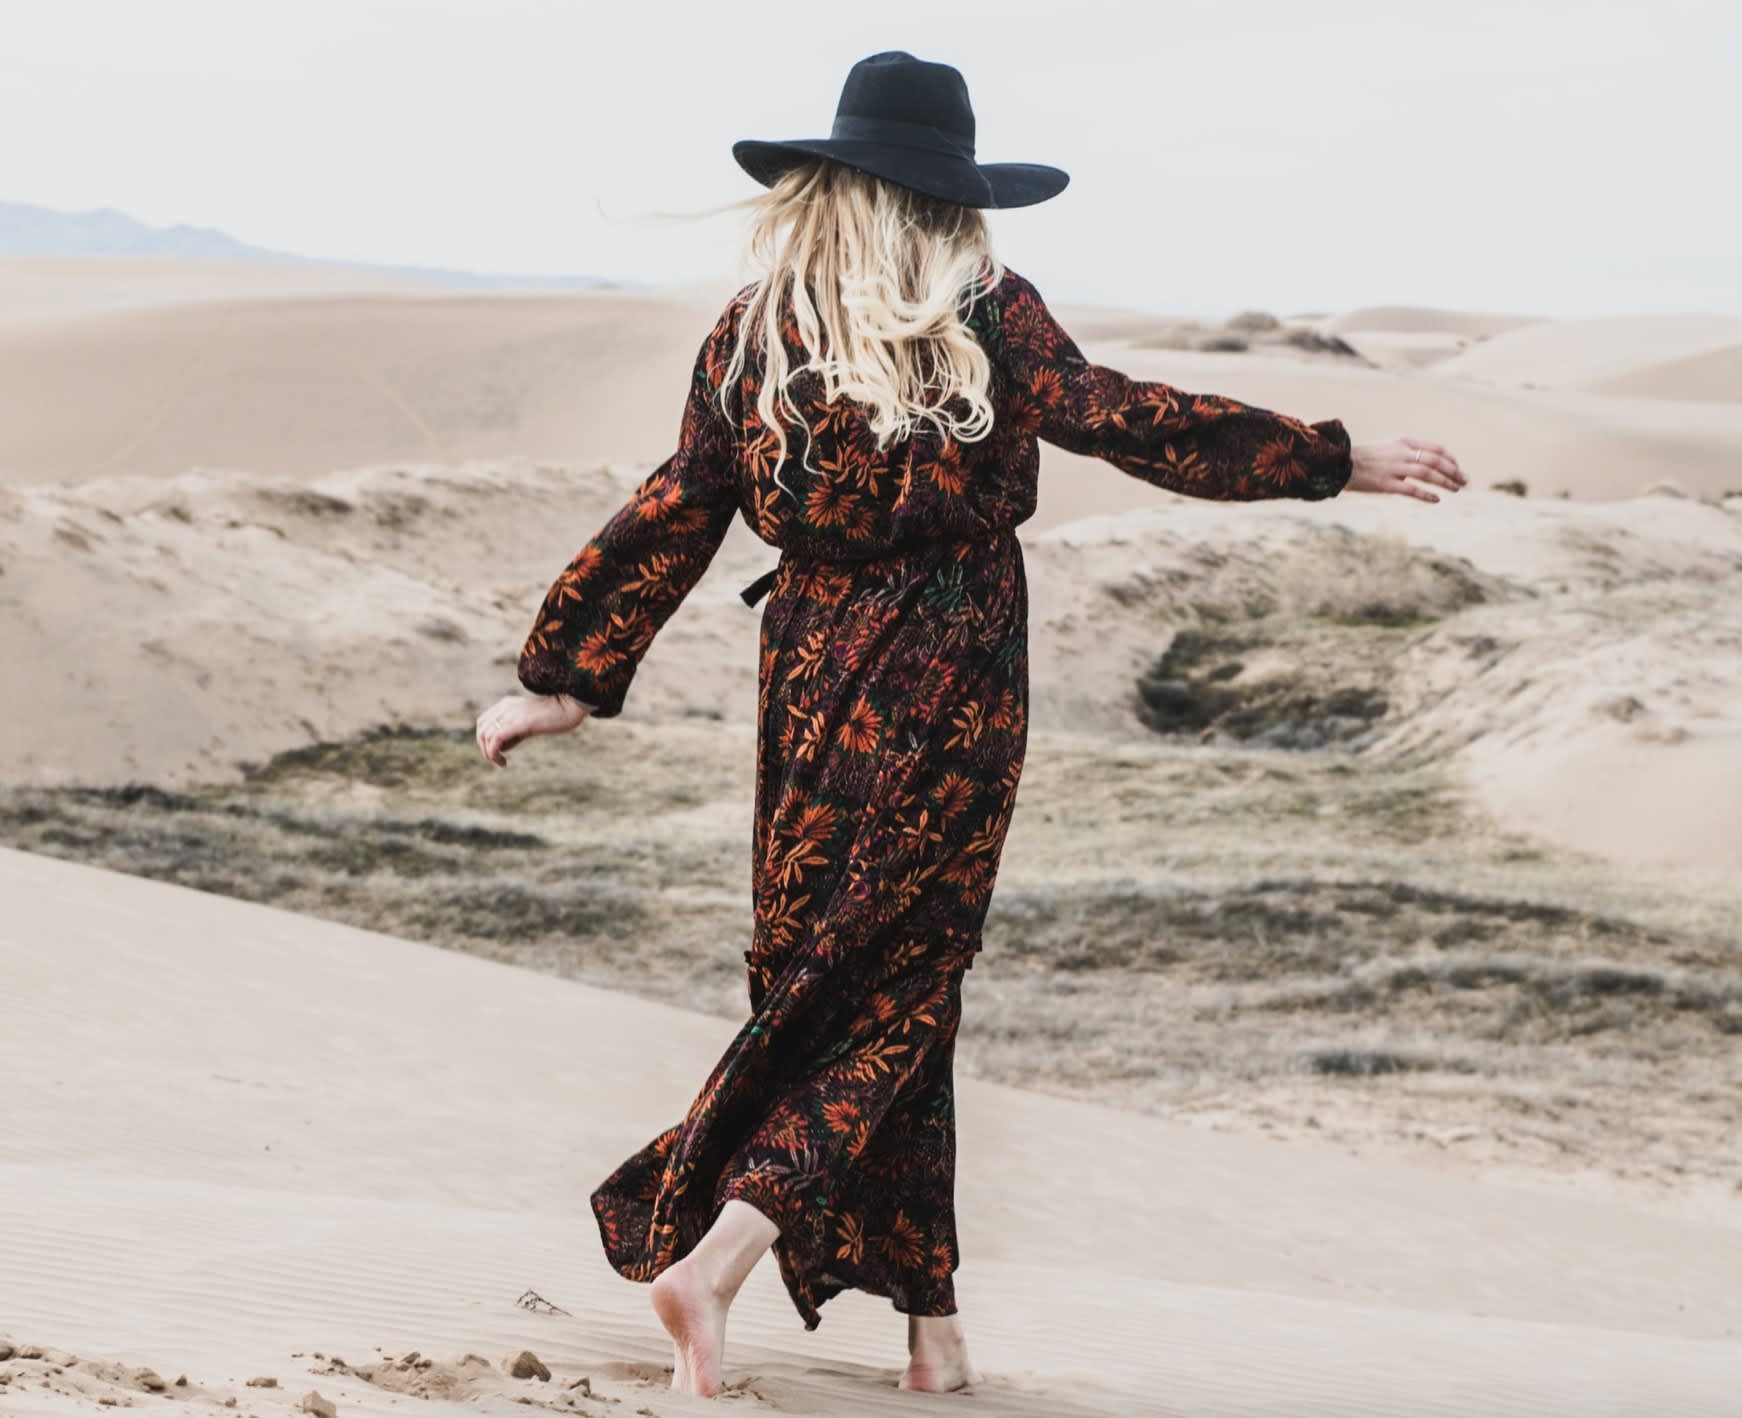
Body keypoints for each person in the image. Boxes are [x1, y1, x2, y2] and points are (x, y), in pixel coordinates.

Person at [475, 49, 1464, 1400]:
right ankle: (715, 1255)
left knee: (830, 970)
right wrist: (1324, 455)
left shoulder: (756, 329)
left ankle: (931, 1329)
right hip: (950, 664)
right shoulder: (987, 311)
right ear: (949, 201)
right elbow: (1121, 418)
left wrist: (566, 674)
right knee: (901, 980)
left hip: (809, 670)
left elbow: (678, 504)